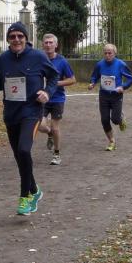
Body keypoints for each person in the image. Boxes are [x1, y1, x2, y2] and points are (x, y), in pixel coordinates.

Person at [0, 22, 58, 216]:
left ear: (26, 38)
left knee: (24, 150)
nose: (16, 39)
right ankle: (35, 189)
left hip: (31, 112)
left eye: (20, 36)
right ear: (8, 40)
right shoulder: (3, 59)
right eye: (12, 36)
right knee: (19, 156)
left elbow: (53, 77)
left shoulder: (38, 56)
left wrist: (47, 92)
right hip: (11, 113)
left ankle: (25, 196)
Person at [36, 33, 76, 166]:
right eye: (46, 42)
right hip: (42, 98)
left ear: (56, 45)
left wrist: (55, 83)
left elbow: (72, 80)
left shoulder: (62, 61)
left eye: (51, 42)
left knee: (55, 127)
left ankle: (57, 154)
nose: (48, 45)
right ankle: (49, 134)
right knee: (39, 125)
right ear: (43, 44)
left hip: (57, 99)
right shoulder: (38, 59)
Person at [87, 43, 132, 151]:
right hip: (103, 96)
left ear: (115, 53)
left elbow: (131, 78)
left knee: (115, 120)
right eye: (105, 53)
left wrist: (123, 87)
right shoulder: (99, 64)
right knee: (104, 120)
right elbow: (94, 76)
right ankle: (112, 141)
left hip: (116, 96)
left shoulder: (120, 64)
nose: (107, 55)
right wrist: (92, 83)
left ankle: (120, 118)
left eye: (110, 53)